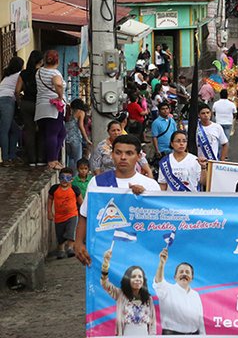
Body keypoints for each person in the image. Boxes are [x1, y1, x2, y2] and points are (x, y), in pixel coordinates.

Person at [74, 135, 161, 267]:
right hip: (106, 251)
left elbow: (158, 221)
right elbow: (85, 214)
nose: (123, 157)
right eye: (118, 153)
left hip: (140, 252)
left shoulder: (150, 186)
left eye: (129, 153)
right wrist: (79, 243)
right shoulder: (98, 182)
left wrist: (144, 198)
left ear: (138, 156)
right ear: (112, 155)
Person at [100, 250, 156, 336]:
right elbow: (105, 284)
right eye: (133, 276)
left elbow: (153, 324)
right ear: (127, 280)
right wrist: (105, 265)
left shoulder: (148, 299)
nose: (137, 279)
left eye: (140, 276)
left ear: (143, 280)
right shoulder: (120, 294)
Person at [154, 248, 205, 335]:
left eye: (187, 272)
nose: (184, 274)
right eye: (181, 272)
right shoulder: (167, 290)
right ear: (175, 277)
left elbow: (200, 320)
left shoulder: (195, 295)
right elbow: (159, 282)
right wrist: (162, 263)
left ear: (192, 278)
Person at [35, 50, 66, 170]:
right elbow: (58, 84)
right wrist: (60, 96)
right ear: (57, 60)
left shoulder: (39, 71)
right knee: (53, 133)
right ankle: (52, 160)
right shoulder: (55, 73)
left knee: (61, 132)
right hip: (53, 107)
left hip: (41, 106)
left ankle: (54, 158)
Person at [15, 50, 45, 166]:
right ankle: (40, 159)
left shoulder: (24, 73)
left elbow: (17, 91)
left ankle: (31, 159)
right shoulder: (42, 73)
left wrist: (19, 102)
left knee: (29, 131)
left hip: (26, 104)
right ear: (41, 61)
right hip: (40, 104)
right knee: (42, 130)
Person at [48, 167, 82, 259]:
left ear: (71, 179)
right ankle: (61, 250)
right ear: (59, 178)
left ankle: (70, 248)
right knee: (60, 235)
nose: (64, 180)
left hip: (72, 215)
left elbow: (81, 202)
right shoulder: (54, 189)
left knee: (71, 232)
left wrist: (83, 213)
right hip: (59, 217)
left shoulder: (75, 189)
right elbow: (50, 199)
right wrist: (49, 212)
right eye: (62, 177)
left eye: (68, 178)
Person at [0, 56, 23, 166]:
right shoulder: (19, 75)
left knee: (15, 130)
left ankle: (12, 156)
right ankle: (5, 158)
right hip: (7, 101)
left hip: (3, 100)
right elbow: (17, 91)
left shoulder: (7, 75)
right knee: (5, 129)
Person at [65, 99, 91, 170]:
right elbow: (81, 126)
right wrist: (86, 139)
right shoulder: (80, 112)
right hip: (76, 138)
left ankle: (70, 175)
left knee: (70, 158)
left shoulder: (68, 112)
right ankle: (76, 177)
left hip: (66, 138)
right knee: (78, 159)